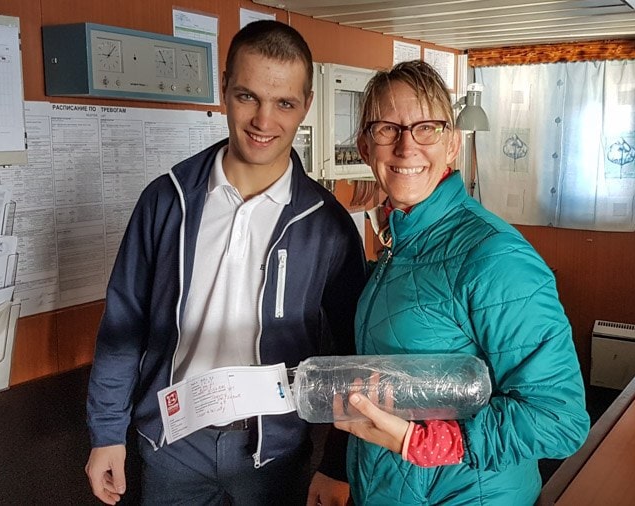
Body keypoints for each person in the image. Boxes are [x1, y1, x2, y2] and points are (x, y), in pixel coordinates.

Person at [85, 20, 365, 506]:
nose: (264, 120)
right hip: (171, 445)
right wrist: (106, 432)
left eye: (284, 103)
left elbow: (351, 354)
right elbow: (123, 324)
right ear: (223, 90)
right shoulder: (166, 200)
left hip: (274, 452)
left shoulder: (329, 225)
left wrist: (336, 463)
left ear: (306, 106)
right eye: (247, 96)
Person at [334, 60, 590, 505]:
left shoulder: (494, 256)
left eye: (426, 128)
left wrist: (429, 444)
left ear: (452, 145)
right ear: (364, 146)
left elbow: (559, 420)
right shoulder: (401, 242)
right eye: (387, 129)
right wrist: (339, 471)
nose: (406, 146)